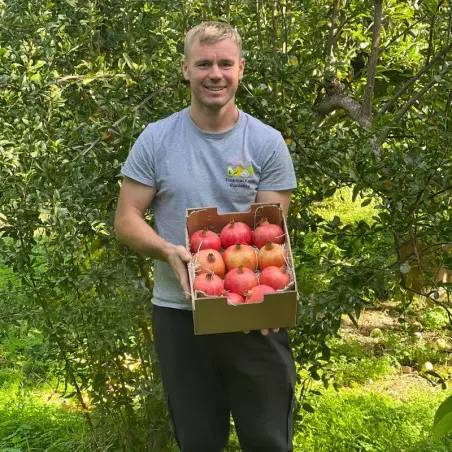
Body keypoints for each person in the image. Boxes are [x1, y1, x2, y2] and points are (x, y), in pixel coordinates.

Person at [114, 21, 298, 452]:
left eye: (224, 63)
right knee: (197, 441)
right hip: (181, 314)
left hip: (252, 314)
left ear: (241, 69)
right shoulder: (156, 139)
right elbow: (126, 219)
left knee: (269, 439)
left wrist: (273, 293)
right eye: (203, 64)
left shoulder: (266, 143)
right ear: (185, 69)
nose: (214, 73)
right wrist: (167, 251)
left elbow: (269, 238)